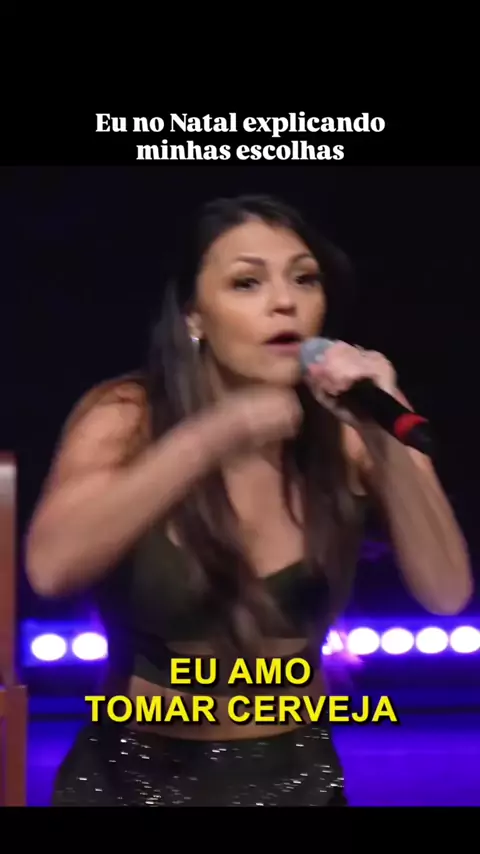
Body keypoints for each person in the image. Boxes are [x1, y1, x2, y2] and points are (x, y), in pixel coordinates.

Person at [25, 194, 472, 807]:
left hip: (297, 781)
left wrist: (382, 438)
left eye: (304, 279)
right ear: (194, 316)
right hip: (131, 781)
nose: (285, 302)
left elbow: (446, 592)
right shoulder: (128, 417)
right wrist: (215, 435)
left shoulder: (350, 430)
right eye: (247, 282)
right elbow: (50, 569)